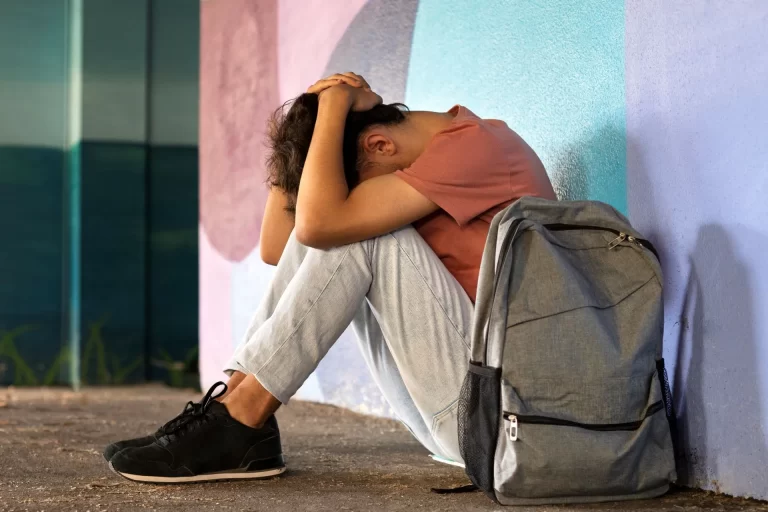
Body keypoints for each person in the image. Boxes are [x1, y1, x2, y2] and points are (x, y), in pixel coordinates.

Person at [104, 72, 556, 483]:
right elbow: (283, 246)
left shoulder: (477, 146)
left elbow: (317, 226)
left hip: (506, 422)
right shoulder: (433, 157)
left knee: (361, 236)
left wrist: (338, 103)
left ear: (378, 145)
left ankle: (241, 420)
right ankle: (232, 407)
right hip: (465, 417)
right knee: (335, 228)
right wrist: (306, 128)